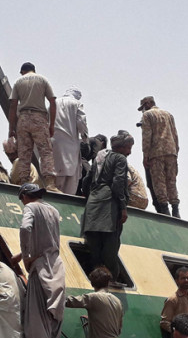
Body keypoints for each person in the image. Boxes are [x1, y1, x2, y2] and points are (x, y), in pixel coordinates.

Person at [18, 183, 66, 338]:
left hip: (41, 268)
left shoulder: (31, 208)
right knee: (53, 324)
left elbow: (24, 227)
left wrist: (26, 255)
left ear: (25, 196)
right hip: (57, 268)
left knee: (35, 323)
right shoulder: (53, 210)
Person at [81, 131, 132, 282]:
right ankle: (112, 281)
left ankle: (97, 280)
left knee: (94, 250)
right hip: (108, 206)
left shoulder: (99, 158)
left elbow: (87, 180)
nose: (129, 151)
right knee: (110, 248)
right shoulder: (120, 159)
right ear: (121, 147)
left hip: (93, 204)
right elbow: (117, 183)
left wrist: (88, 196)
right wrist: (123, 207)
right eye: (129, 147)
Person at [8, 63, 57, 191]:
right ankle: (50, 183)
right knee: (45, 151)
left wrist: (11, 129)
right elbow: (52, 101)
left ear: (23, 71)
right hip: (39, 118)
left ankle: (24, 183)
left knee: (24, 154)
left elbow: (13, 106)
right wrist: (52, 124)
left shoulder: (18, 82)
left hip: (23, 119)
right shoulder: (42, 79)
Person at [138, 95, 180, 218]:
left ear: (147, 104)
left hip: (156, 153)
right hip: (171, 152)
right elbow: (175, 135)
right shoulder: (168, 115)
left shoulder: (147, 115)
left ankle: (165, 211)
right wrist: (175, 152)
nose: (143, 110)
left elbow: (147, 137)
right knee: (171, 181)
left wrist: (145, 156)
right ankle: (176, 210)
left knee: (158, 182)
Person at [51, 87, 88, 195]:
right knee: (71, 177)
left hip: (53, 142)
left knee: (55, 174)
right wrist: (85, 138)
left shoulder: (53, 103)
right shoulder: (76, 104)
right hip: (70, 144)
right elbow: (81, 123)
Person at [160, 266, 188, 338]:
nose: (186, 280)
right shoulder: (172, 300)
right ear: (177, 281)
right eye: (183, 278)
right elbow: (164, 322)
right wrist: (180, 333)